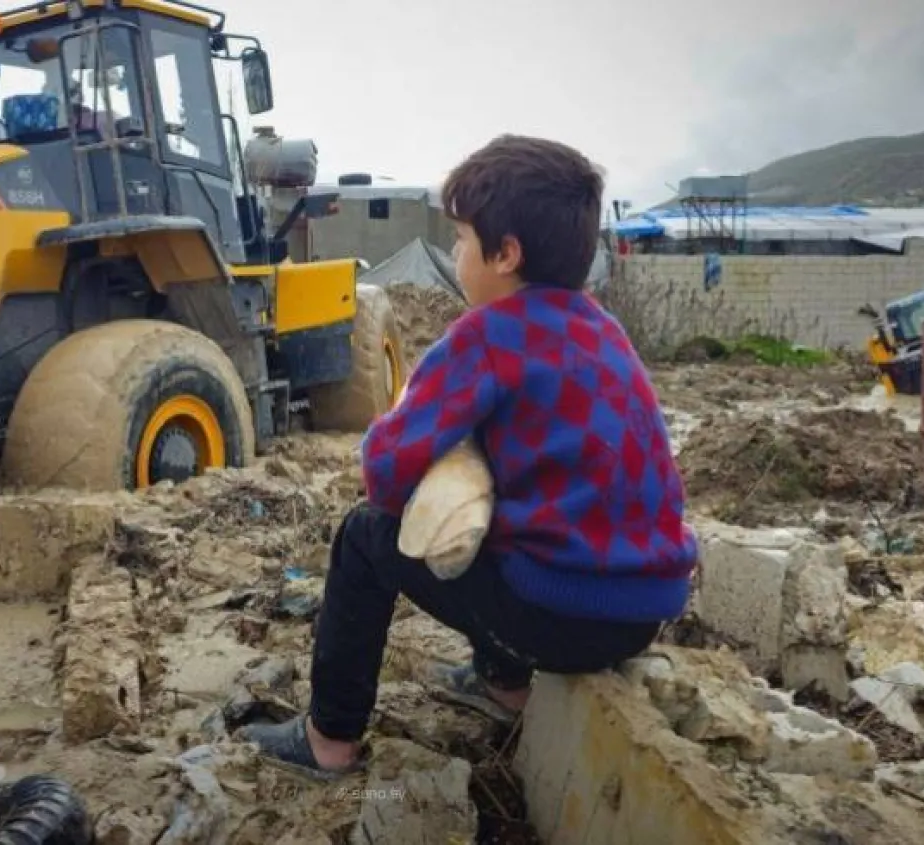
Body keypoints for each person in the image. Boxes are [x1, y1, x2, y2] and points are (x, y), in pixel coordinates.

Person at [240, 134, 698, 777]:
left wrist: (428, 444)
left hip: (557, 618)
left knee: (368, 536)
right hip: (642, 611)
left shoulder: (484, 337)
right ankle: (502, 685)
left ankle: (329, 740)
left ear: (505, 253)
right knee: (516, 503)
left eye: (459, 238)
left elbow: (386, 475)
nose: (455, 253)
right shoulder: (603, 328)